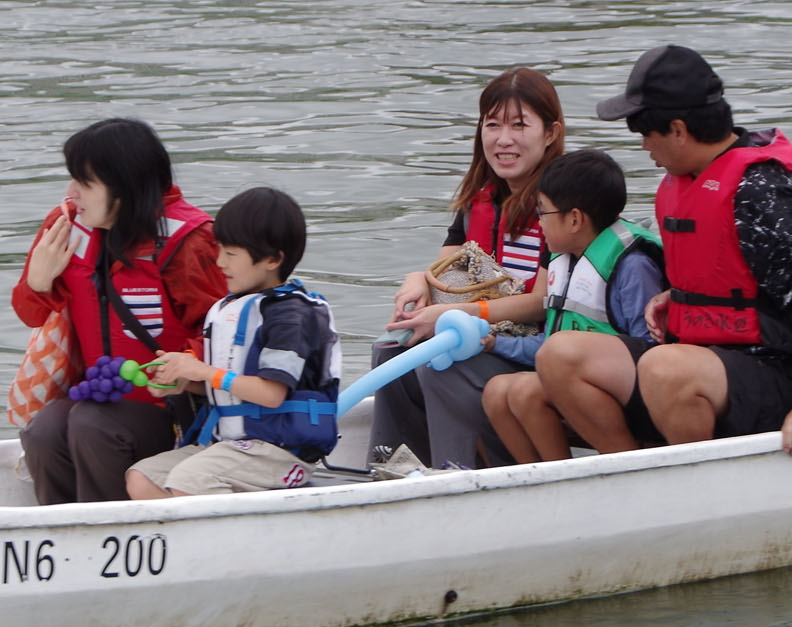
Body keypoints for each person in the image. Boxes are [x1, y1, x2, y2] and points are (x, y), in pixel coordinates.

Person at [598, 45, 792, 458]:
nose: (645, 146)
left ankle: (702, 488)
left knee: (663, 367)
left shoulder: (760, 189)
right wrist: (675, 297)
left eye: (646, 133)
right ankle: (636, 470)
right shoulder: (689, 177)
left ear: (678, 130)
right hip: (708, 365)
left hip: (773, 373)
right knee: (564, 356)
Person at [12, 118, 227, 504]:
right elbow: (29, 314)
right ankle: (60, 532)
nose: (71, 193)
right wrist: (38, 283)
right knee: (44, 430)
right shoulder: (65, 227)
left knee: (92, 425)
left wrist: (184, 364)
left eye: (85, 183)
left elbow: (224, 334)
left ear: (125, 187)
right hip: (96, 397)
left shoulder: (191, 242)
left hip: (177, 412)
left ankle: (110, 536)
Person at [367, 67, 566, 469]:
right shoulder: (480, 198)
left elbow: (542, 302)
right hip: (475, 328)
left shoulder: (561, 202)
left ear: (550, 133)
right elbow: (445, 267)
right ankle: (391, 468)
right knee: (391, 352)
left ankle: (455, 473)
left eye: (519, 125)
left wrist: (464, 313)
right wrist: (415, 284)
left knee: (441, 367)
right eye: (492, 124)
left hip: (532, 344)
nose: (503, 139)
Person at [128, 188, 341, 498]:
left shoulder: (291, 317)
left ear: (272, 259)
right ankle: (192, 540)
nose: (219, 262)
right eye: (219, 250)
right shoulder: (231, 309)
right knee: (142, 477)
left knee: (189, 480)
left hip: (281, 451)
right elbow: (229, 388)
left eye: (230, 254)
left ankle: (221, 540)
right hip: (232, 444)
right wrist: (183, 381)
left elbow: (270, 394)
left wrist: (202, 370)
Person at [481, 149, 667, 462]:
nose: (538, 223)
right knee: (497, 391)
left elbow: (649, 356)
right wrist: (494, 343)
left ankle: (625, 466)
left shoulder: (633, 268)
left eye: (542, 212)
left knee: (527, 392)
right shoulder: (564, 262)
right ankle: (544, 483)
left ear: (575, 218)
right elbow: (550, 346)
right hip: (571, 376)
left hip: (629, 393)